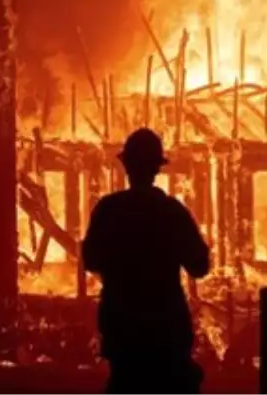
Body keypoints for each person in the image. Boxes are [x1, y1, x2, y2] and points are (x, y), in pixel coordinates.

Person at [82, 128, 211, 395]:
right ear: (157, 169)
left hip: (123, 332)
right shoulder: (172, 212)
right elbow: (199, 266)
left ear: (126, 166)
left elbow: (91, 260)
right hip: (166, 333)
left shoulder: (108, 210)